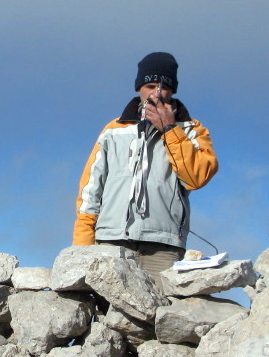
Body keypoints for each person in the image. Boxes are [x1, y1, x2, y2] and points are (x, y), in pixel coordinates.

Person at [73, 52, 219, 279]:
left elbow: (196, 178)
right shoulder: (113, 130)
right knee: (107, 313)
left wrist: (170, 130)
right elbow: (90, 191)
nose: (156, 93)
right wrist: (81, 247)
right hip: (110, 241)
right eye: (150, 86)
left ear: (173, 90)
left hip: (163, 246)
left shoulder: (191, 129)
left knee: (162, 313)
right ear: (138, 88)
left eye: (164, 87)